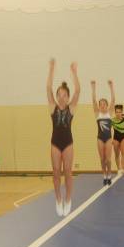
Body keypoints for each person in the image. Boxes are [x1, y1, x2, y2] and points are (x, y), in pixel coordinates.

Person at [46, 58, 80, 216]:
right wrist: (52, 68)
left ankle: (68, 199)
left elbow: (78, 90)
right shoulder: (52, 107)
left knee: (68, 172)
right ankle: (58, 199)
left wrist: (74, 73)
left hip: (68, 143)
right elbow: (48, 88)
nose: (61, 97)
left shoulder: (71, 108)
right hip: (55, 143)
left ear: (68, 97)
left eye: (64, 95)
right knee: (55, 172)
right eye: (59, 94)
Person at [91, 80, 115, 186]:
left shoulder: (109, 113)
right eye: (100, 104)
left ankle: (109, 175)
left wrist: (111, 87)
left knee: (108, 159)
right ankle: (104, 175)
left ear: (107, 105)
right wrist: (93, 87)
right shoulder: (98, 114)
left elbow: (113, 99)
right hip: (100, 138)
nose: (102, 106)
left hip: (108, 138)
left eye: (104, 104)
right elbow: (93, 101)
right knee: (102, 159)